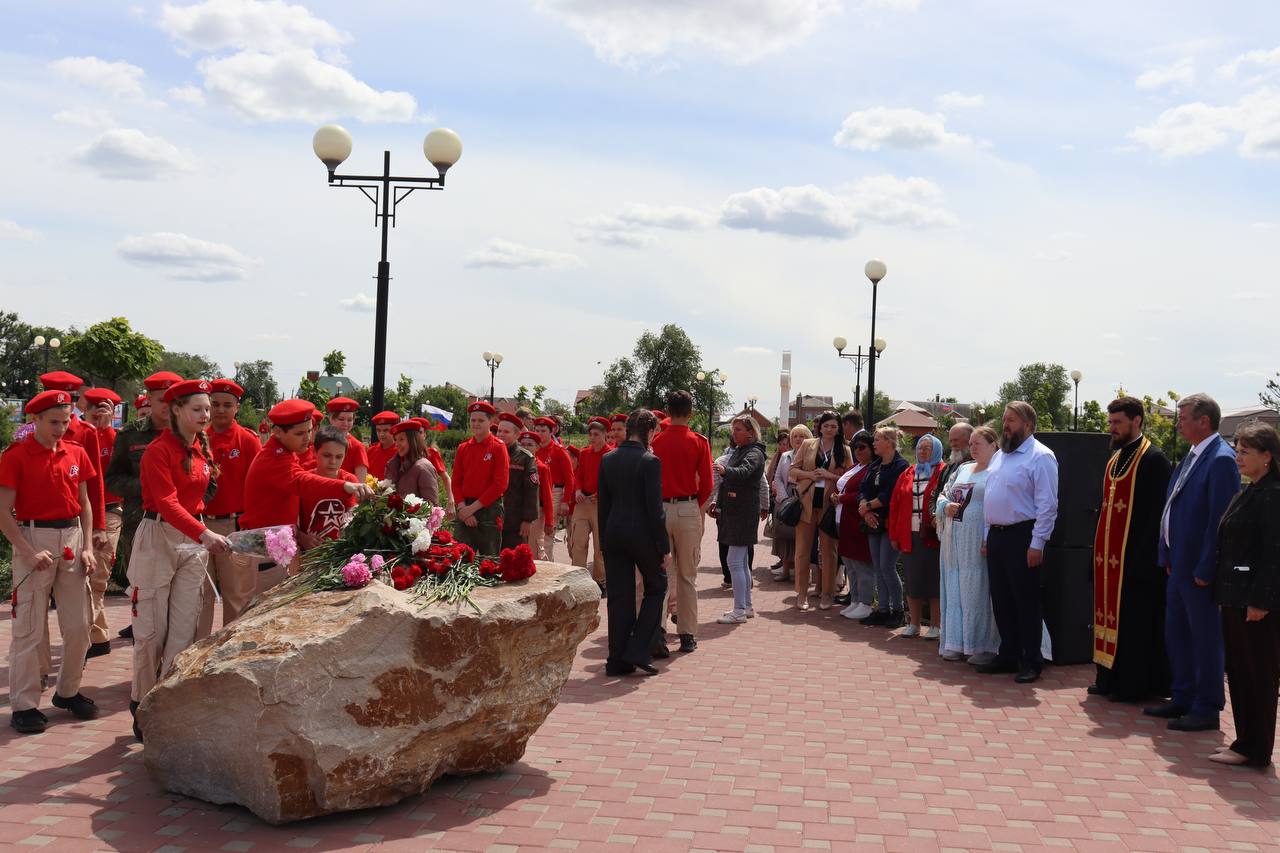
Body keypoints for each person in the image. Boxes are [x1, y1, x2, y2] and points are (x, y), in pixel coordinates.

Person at [128, 379, 233, 741]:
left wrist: (203, 531)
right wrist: (203, 533)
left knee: (185, 628)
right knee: (151, 632)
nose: (205, 415)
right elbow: (167, 502)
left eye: (207, 409)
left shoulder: (202, 449)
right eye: (197, 409)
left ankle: (166, 701)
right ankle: (141, 702)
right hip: (159, 536)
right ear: (175, 411)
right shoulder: (158, 451)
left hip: (193, 540)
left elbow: (200, 495)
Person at [0, 390, 100, 734]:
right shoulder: (16, 456)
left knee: (79, 624)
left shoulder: (77, 452)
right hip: (33, 540)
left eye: (67, 420)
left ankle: (67, 691)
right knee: (29, 627)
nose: (62, 428)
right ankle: (25, 705)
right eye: (54, 422)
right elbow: (2, 512)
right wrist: (26, 551)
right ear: (35, 420)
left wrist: (87, 546)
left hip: (71, 539)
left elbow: (84, 503)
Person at [1145, 393, 1240, 731]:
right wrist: (1166, 551)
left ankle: (1208, 706)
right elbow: (1173, 505)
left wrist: (1206, 566)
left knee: (1204, 637)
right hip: (1178, 565)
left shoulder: (1221, 460)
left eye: (1183, 417)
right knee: (1178, 634)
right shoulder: (1190, 456)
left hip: (1198, 570)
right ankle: (1182, 695)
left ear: (1204, 421)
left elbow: (1220, 520)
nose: (1178, 422)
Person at [1088, 397, 1173, 702]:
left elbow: (1157, 517)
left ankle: (1134, 684)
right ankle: (1108, 677)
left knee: (1136, 624)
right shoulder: (1115, 459)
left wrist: (1141, 560)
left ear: (1136, 421)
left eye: (1117, 422)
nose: (1112, 428)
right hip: (1109, 560)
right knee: (1108, 619)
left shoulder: (1154, 459)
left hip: (1136, 562)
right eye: (1110, 422)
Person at [241, 400, 372, 591]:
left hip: (278, 547)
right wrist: (345, 486)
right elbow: (302, 482)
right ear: (277, 432)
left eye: (309, 431)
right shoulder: (273, 458)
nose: (307, 438)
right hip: (266, 549)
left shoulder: (285, 452)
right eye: (300, 433)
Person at [1211, 423, 1280, 767]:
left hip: (1254, 604)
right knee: (1239, 672)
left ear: (1267, 456)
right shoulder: (1250, 490)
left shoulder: (1273, 494)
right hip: (1234, 598)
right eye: (1236, 449)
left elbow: (1273, 553)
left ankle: (1258, 749)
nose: (1237, 456)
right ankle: (1244, 742)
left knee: (1258, 675)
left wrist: (1261, 600)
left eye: (1245, 451)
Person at [981, 402, 1059, 684]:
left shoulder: (1041, 457)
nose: (1005, 425)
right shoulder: (1001, 455)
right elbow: (991, 495)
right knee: (1001, 599)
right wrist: (986, 534)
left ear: (1027, 424)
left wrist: (1037, 543)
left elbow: (1048, 505)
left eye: (1011, 420)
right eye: (1004, 419)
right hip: (998, 536)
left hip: (1022, 536)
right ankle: (1008, 654)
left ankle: (1031, 661)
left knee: (1025, 601)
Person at [106, 370, 183, 642]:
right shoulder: (130, 435)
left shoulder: (190, 435)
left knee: (179, 598)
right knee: (145, 592)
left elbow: (209, 482)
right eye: (161, 399)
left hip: (182, 528)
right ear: (148, 399)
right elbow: (113, 479)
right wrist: (149, 487)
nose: (167, 406)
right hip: (140, 525)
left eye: (173, 400)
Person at [599, 409, 670, 676]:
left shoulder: (608, 459)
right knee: (657, 586)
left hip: (614, 533)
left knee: (619, 597)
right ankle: (639, 648)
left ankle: (616, 660)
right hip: (642, 536)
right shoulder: (650, 461)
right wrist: (664, 548)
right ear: (650, 431)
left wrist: (604, 544)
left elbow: (604, 506)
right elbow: (655, 510)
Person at [649, 390, 714, 654]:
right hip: (687, 507)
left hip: (660, 508)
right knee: (687, 575)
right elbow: (708, 484)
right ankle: (687, 634)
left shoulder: (657, 441)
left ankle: (659, 630)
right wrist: (693, 505)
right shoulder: (699, 441)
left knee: (661, 573)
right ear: (691, 413)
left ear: (668, 411)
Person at [196, 379, 261, 640]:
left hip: (235, 526)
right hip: (201, 526)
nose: (220, 410)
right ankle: (195, 653)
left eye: (227, 405)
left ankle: (230, 651)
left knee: (237, 596)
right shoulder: (198, 438)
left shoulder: (248, 440)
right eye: (215, 404)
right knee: (201, 594)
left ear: (237, 408)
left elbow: (257, 486)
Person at [935, 426, 1001, 662]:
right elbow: (943, 493)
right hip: (954, 542)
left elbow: (1000, 505)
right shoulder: (962, 469)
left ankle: (980, 645)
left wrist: (989, 538)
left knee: (977, 591)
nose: (972, 448)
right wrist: (944, 506)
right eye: (970, 444)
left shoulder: (997, 470)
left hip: (977, 543)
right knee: (954, 589)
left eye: (978, 444)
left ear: (994, 445)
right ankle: (955, 641)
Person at [790, 411, 850, 611]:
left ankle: (827, 593)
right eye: (826, 426)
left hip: (829, 505)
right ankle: (802, 593)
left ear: (838, 428)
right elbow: (793, 470)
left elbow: (849, 479)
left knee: (829, 551)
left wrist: (829, 475)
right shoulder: (808, 445)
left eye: (834, 426)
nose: (830, 430)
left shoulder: (844, 449)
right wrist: (810, 474)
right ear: (820, 427)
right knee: (802, 550)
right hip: (807, 502)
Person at [714, 416, 767, 624]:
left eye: (738, 429)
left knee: (734, 561)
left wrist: (725, 470)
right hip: (737, 511)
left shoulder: (754, 452)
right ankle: (746, 606)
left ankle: (739, 610)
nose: (733, 433)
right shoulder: (742, 450)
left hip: (743, 512)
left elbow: (744, 472)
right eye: (733, 429)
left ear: (750, 433)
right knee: (741, 561)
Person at [83, 387, 122, 658]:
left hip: (109, 512)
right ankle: (97, 636)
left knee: (98, 576)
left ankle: (94, 637)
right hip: (80, 514)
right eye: (92, 407)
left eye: (105, 407)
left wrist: (105, 430)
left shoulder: (117, 439)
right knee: (82, 578)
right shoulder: (76, 437)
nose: (98, 412)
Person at [893, 434, 945, 639]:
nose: (923, 451)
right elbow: (895, 504)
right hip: (909, 533)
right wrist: (894, 533)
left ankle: (936, 625)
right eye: (920, 448)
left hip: (933, 535)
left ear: (937, 451)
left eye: (928, 448)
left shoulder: (944, 472)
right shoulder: (908, 472)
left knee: (934, 580)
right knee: (913, 579)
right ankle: (913, 623)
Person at [859, 427, 909, 626]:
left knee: (887, 566)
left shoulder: (901, 465)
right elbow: (863, 488)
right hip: (873, 522)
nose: (874, 443)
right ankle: (882, 609)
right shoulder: (875, 465)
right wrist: (866, 510)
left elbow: (891, 494)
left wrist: (869, 506)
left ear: (889, 442)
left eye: (878, 439)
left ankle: (898, 610)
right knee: (878, 567)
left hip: (890, 523)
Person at [451, 401, 510, 555]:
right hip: (465, 507)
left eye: (481, 420)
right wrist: (463, 508)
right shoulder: (463, 448)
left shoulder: (498, 447)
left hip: (489, 510)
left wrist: (472, 508)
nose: (476, 424)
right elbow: (456, 481)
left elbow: (500, 485)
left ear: (491, 422)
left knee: (488, 561)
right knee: (460, 559)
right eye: (473, 420)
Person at [570, 417, 613, 593]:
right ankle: (577, 578)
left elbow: (613, 480)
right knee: (578, 542)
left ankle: (600, 581)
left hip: (600, 504)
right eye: (591, 434)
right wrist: (578, 490)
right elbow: (578, 474)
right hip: (583, 502)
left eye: (596, 434)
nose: (592, 437)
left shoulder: (610, 455)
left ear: (605, 435)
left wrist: (602, 494)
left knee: (600, 546)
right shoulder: (584, 453)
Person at [297, 426, 358, 547]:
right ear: (314, 451)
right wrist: (301, 537)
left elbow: (353, 518)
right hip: (309, 553)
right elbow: (290, 520)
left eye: (339, 457)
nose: (333, 462)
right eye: (327, 455)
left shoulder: (350, 481)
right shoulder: (304, 481)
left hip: (340, 553)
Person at [837, 431, 876, 620]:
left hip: (857, 521)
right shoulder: (855, 466)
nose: (858, 450)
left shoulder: (871, 469)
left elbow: (863, 493)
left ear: (871, 449)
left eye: (862, 447)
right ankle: (855, 599)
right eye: (855, 447)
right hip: (845, 520)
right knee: (849, 564)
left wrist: (842, 498)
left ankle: (865, 603)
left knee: (861, 565)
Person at [495, 413, 540, 551]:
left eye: (506, 432)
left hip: (514, 521)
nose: (501, 434)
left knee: (513, 560)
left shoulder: (525, 458)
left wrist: (527, 520)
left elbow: (531, 490)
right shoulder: (491, 452)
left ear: (517, 435)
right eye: (499, 431)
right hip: (491, 518)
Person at [770, 426, 810, 582]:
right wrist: (784, 497)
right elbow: (778, 477)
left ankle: (804, 575)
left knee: (803, 538)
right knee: (785, 535)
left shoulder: (811, 456)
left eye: (802, 436)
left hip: (804, 496)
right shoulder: (786, 455)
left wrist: (801, 495)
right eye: (795, 436)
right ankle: (785, 570)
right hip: (785, 496)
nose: (798, 439)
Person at [533, 416, 574, 560]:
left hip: (555, 492)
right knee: (536, 534)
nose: (539, 433)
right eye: (537, 430)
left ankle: (549, 567)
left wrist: (565, 501)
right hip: (536, 493)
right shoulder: (533, 449)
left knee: (547, 534)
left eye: (543, 430)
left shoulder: (559, 451)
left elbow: (570, 478)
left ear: (552, 432)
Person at [386, 420, 440, 502]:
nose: (397, 444)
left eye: (401, 439)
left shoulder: (423, 467)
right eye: (396, 439)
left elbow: (431, 505)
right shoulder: (394, 465)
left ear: (413, 440)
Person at [520, 430, 556, 550]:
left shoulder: (541, 468)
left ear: (537, 447)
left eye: (530, 445)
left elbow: (547, 496)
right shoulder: (514, 465)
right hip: (517, 512)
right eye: (522, 444)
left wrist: (549, 522)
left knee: (534, 548)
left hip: (537, 513)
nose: (525, 447)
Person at [324, 397, 369, 481]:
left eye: (350, 420)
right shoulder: (322, 441)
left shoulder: (357, 447)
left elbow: (360, 482)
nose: (345, 424)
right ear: (331, 419)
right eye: (341, 419)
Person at [366, 411, 401, 481]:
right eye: (378, 430)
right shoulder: (370, 451)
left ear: (394, 430)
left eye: (386, 430)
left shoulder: (401, 452)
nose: (381, 434)